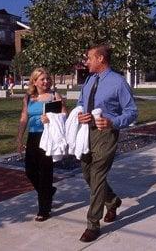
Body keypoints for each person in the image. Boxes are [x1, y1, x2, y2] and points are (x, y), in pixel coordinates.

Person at [76, 45, 138, 242]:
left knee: (97, 175)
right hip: (86, 132)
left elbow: (132, 112)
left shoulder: (118, 82)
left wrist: (113, 122)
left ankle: (93, 224)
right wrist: (80, 114)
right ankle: (112, 201)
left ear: (100, 59)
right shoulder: (89, 80)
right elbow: (80, 102)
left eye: (89, 58)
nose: (87, 62)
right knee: (87, 172)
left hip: (106, 133)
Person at [17, 67, 67, 222]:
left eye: (48, 79)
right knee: (30, 171)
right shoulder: (28, 97)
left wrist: (51, 119)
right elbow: (24, 117)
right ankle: (48, 191)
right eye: (43, 79)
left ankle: (44, 209)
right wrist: (19, 138)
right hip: (33, 137)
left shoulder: (54, 96)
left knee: (45, 173)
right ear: (34, 81)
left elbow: (65, 115)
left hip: (48, 137)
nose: (46, 82)